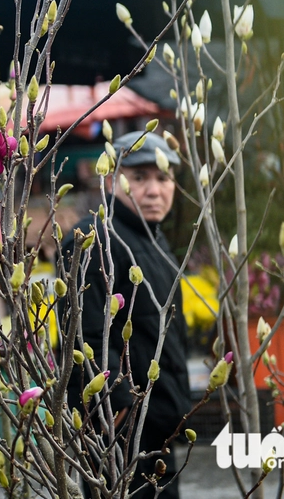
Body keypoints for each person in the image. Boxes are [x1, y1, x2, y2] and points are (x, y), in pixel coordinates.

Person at [62, 130, 190, 499]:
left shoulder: (154, 238)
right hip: (121, 431)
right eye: (139, 178)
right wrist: (120, 415)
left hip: (159, 427)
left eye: (163, 178)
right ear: (112, 178)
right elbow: (86, 338)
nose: (154, 191)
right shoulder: (94, 239)